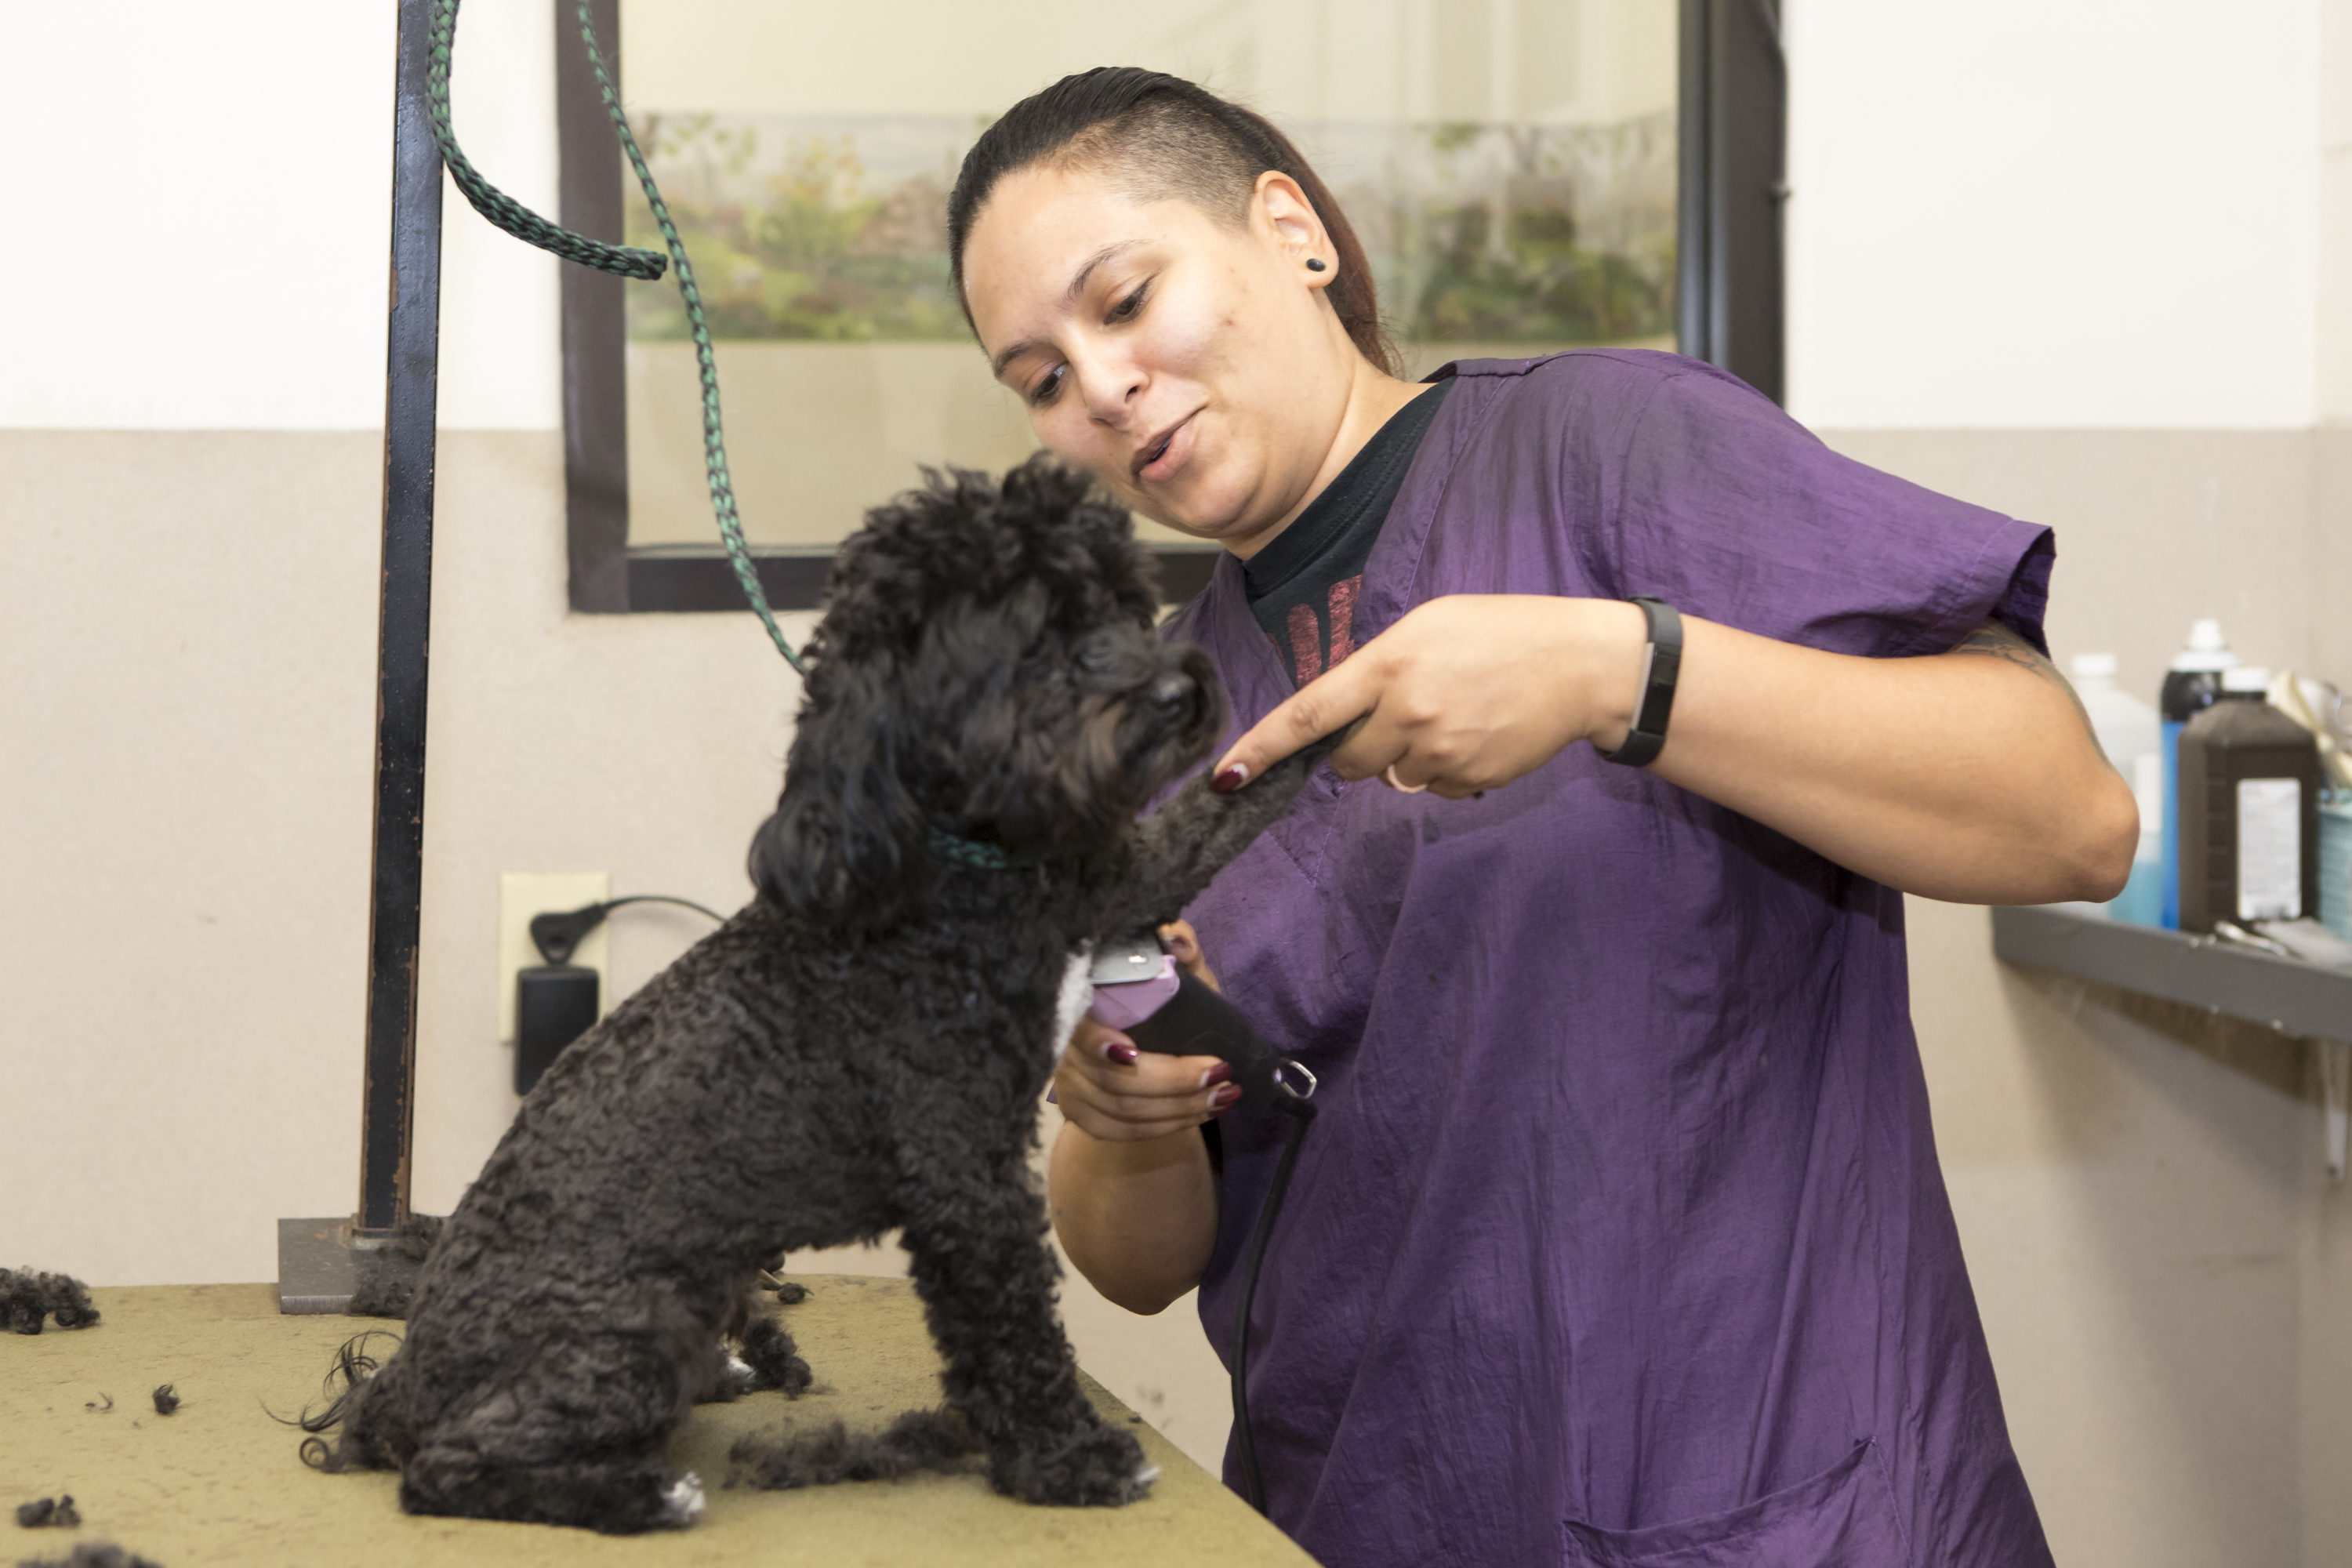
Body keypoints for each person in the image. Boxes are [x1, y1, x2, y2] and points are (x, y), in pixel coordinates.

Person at [948, 67, 2132, 1568]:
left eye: (1124, 300)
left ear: (1291, 232)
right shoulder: (1158, 729)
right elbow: (1138, 1266)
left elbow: (2071, 818)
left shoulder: (1613, 451)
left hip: (1762, 1496)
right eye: (1039, 379)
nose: (1101, 387)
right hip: (1364, 1500)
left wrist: (1615, 672)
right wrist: (1118, 1125)